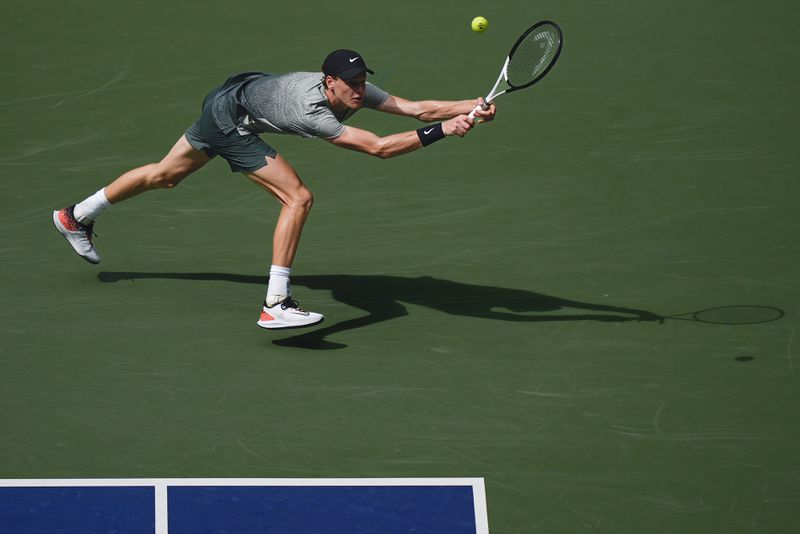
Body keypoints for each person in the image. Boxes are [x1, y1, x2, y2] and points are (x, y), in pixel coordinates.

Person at [52, 49, 497, 330]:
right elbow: (379, 148)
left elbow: (416, 109)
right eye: (352, 85)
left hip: (231, 95)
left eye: (363, 82)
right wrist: (443, 131)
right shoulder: (312, 111)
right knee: (297, 197)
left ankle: (77, 214)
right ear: (329, 83)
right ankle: (276, 303)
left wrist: (471, 106)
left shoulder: (353, 89)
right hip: (234, 121)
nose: (360, 91)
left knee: (166, 175)